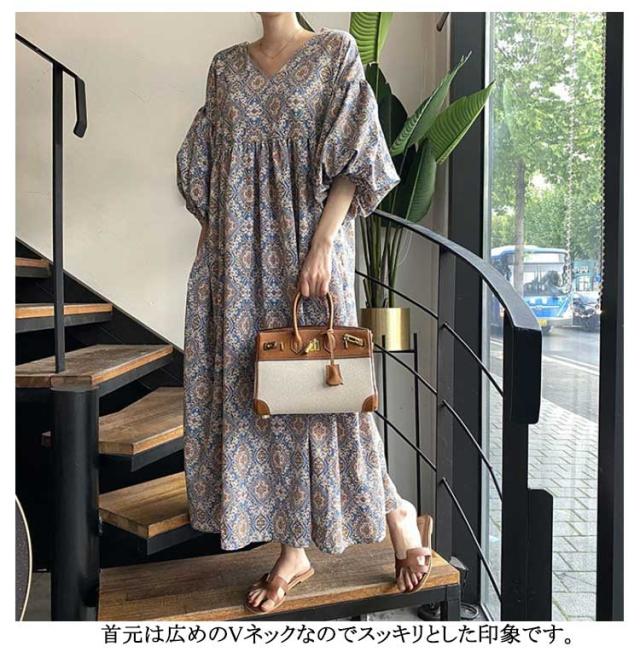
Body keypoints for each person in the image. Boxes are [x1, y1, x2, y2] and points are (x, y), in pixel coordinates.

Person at [176, 12, 432, 615]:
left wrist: (322, 245)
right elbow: (207, 174)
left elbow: (355, 158)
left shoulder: (334, 52)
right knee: (266, 401)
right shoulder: (225, 68)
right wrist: (210, 265)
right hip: (237, 264)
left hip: (309, 254)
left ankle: (394, 511)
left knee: (324, 400)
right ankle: (296, 549)